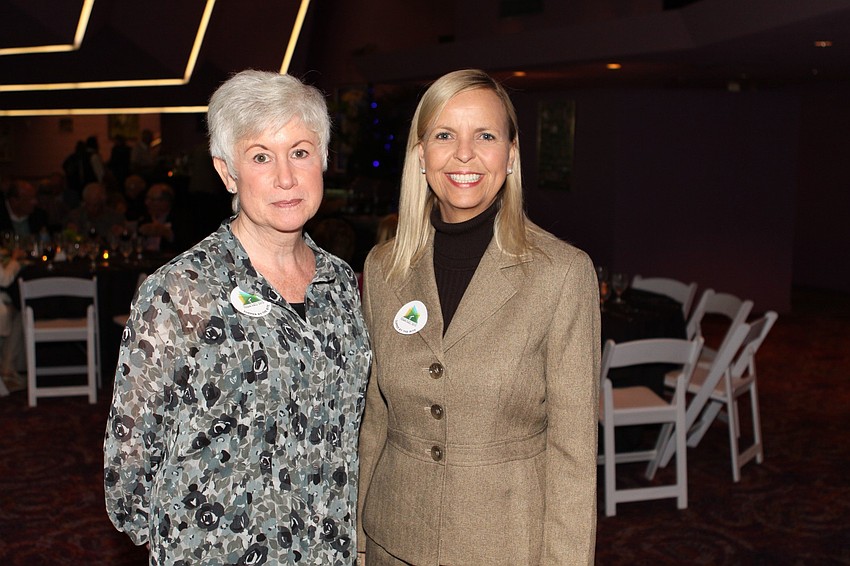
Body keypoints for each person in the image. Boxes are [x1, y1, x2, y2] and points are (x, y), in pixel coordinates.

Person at [104, 69, 372, 565]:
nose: (286, 177)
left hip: (325, 551)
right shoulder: (181, 291)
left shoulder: (341, 285)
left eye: (300, 152)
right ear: (228, 173)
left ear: (323, 159)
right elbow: (130, 462)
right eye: (261, 157)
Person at [357, 69, 600, 565]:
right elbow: (374, 422)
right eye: (444, 135)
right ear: (420, 154)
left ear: (510, 155)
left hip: (504, 546)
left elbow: (573, 453)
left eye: (485, 136)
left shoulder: (561, 274)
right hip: (392, 541)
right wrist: (360, 547)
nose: (464, 154)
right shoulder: (383, 269)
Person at [136, 182, 186, 254]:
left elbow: (184, 245)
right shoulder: (144, 217)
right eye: (147, 198)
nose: (147, 203)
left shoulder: (179, 218)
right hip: (145, 256)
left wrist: (166, 233)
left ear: (165, 202)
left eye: (152, 200)